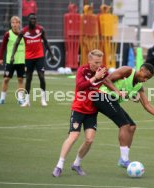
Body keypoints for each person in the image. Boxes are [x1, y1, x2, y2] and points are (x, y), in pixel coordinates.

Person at [52, 49, 121, 177]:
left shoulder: (102, 70)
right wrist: (95, 77)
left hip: (92, 111)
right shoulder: (82, 71)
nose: (98, 65)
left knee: (89, 140)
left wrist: (117, 91)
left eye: (100, 62)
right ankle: (59, 166)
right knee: (73, 137)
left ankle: (76, 164)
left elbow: (106, 81)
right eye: (95, 62)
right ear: (89, 61)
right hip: (78, 109)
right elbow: (80, 86)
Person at [93, 64, 154, 168]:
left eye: (148, 79)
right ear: (142, 69)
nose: (145, 80)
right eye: (145, 76)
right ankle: (124, 160)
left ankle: (123, 159)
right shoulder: (128, 71)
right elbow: (106, 80)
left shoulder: (139, 86)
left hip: (112, 100)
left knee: (132, 126)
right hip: (101, 96)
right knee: (124, 125)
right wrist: (117, 91)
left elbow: (147, 104)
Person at [10, 13, 55, 107]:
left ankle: (43, 100)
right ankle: (27, 101)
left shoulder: (40, 30)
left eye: (35, 19)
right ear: (28, 20)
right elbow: (16, 43)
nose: (33, 20)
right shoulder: (24, 31)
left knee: (41, 77)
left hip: (39, 57)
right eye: (31, 19)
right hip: (29, 58)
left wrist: (52, 55)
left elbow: (46, 42)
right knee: (29, 79)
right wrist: (12, 56)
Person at [0, 16, 25, 105]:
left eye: (16, 22)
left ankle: (20, 99)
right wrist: (1, 57)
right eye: (13, 23)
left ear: (19, 24)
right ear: (11, 24)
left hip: (21, 61)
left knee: (20, 79)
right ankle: (2, 99)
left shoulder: (24, 34)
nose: (14, 24)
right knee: (6, 79)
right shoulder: (7, 34)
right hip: (10, 61)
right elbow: (3, 46)